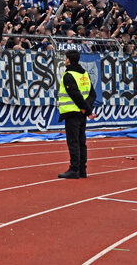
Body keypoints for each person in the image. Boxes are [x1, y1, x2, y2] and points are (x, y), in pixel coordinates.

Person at [57, 50, 97, 179]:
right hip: (81, 113)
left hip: (72, 112)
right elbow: (92, 94)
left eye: (66, 58)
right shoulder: (84, 74)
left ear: (68, 60)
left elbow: (75, 94)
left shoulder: (68, 75)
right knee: (81, 141)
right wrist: (86, 109)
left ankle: (74, 169)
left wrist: (85, 109)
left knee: (74, 142)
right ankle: (82, 169)